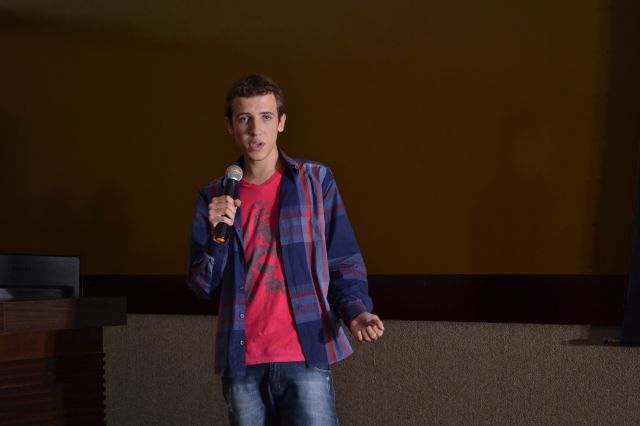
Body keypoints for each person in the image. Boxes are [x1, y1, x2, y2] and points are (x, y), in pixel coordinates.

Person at [187, 74, 384, 425]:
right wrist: (217, 236)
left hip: (304, 352)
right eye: (244, 119)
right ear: (230, 126)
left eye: (265, 117)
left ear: (281, 122)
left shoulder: (315, 181)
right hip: (242, 359)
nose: (255, 130)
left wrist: (356, 312)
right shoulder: (215, 196)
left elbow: (343, 261)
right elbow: (203, 284)